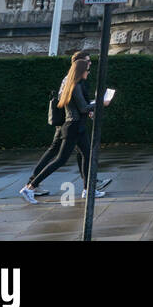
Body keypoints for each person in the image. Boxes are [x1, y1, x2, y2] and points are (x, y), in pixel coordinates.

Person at [27, 51, 113, 197]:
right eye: (87, 63)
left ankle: (88, 187)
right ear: (79, 65)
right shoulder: (72, 82)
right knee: (59, 157)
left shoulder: (75, 81)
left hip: (74, 123)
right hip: (70, 124)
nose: (89, 65)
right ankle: (31, 185)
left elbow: (78, 105)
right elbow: (75, 105)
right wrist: (99, 103)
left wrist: (87, 109)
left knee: (84, 154)